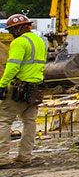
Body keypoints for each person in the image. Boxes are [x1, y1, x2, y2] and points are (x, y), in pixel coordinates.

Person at [1, 13, 47, 168]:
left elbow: (13, 66)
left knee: (4, 120)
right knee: (30, 122)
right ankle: (25, 157)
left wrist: (3, 84)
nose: (10, 34)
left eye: (11, 30)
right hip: (35, 88)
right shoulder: (39, 41)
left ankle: (2, 158)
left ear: (18, 28)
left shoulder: (19, 43)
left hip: (19, 89)